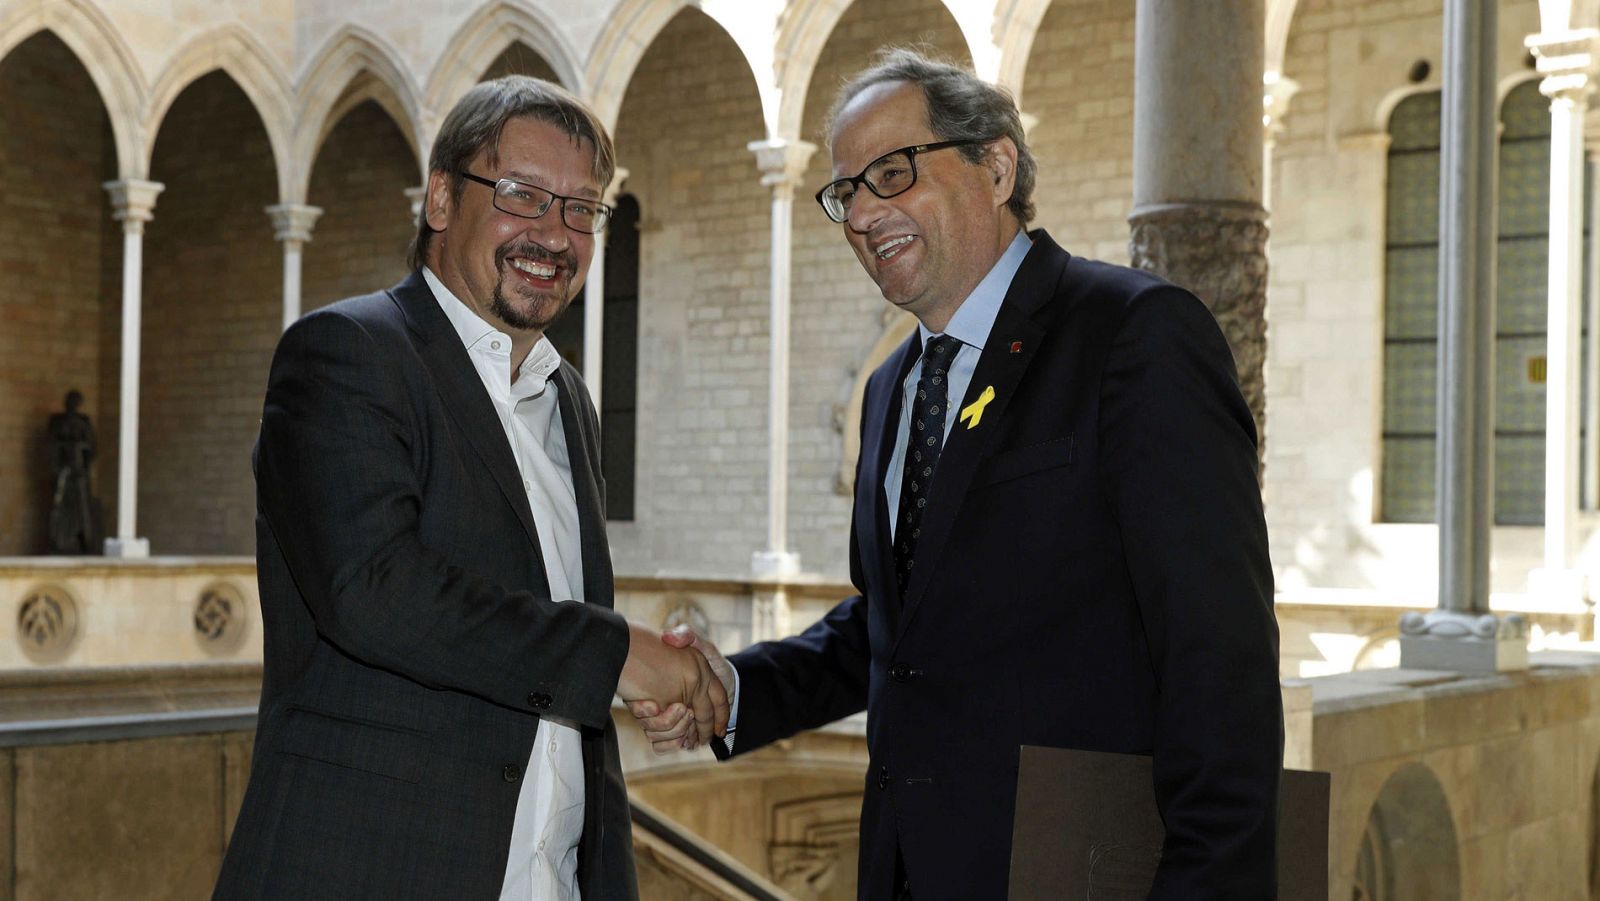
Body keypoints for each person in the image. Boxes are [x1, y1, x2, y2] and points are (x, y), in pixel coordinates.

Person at [632, 49, 1282, 899]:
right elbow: (896, 630)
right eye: (847, 193)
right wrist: (735, 686)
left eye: (893, 175)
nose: (864, 213)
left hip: (1083, 870)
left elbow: (1220, 663)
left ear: (997, 165)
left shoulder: (1132, 336)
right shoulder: (892, 387)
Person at [215, 76, 727, 901]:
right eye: (523, 195)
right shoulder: (348, 353)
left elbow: (553, 677)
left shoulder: (570, 402)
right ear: (443, 200)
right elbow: (373, 590)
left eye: (581, 210)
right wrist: (614, 656)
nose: (554, 234)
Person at [47, 389, 98, 554]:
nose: (72, 405)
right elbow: (51, 446)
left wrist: (81, 454)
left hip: (79, 472)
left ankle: (83, 542)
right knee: (60, 506)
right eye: (70, 401)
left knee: (82, 507)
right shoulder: (57, 422)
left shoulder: (83, 422)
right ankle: (61, 542)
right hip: (63, 471)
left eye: (75, 402)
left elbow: (91, 446)